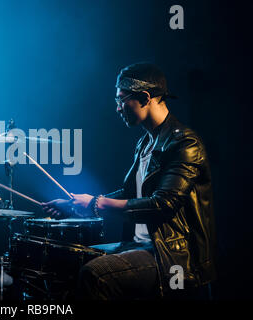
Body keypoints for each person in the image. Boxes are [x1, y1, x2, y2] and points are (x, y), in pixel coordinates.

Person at [42, 62, 217, 300]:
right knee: (72, 259)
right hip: (142, 248)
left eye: (121, 100)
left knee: (96, 274)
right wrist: (74, 204)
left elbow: (163, 205)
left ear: (145, 98)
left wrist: (96, 203)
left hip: (173, 257)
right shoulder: (145, 143)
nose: (117, 108)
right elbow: (129, 192)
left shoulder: (185, 144)